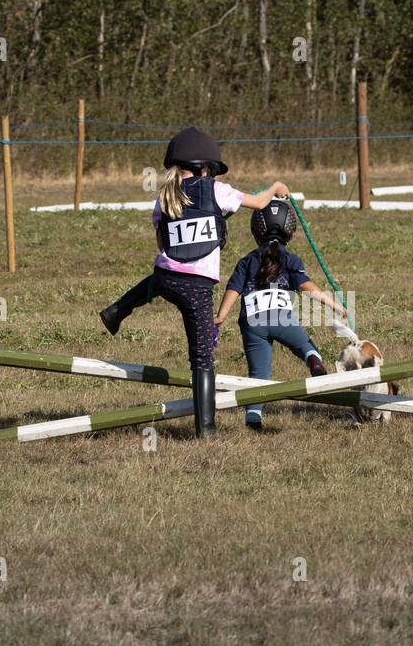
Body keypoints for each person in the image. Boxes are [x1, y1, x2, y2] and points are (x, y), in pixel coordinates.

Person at [100, 127, 288, 438]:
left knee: (157, 281)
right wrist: (276, 187)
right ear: (205, 168)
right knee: (202, 358)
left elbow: (163, 245)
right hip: (197, 287)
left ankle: (117, 310)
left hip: (166, 275)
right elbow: (257, 202)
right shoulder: (216, 190)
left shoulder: (164, 197)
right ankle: (206, 429)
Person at [214, 197, 346, 430]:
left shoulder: (246, 261)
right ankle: (313, 360)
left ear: (255, 231)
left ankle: (254, 416)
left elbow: (233, 289)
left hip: (252, 321)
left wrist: (220, 316)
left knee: (258, 373)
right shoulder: (291, 259)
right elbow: (306, 287)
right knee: (305, 346)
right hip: (281, 316)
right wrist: (333, 304)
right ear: (291, 233)